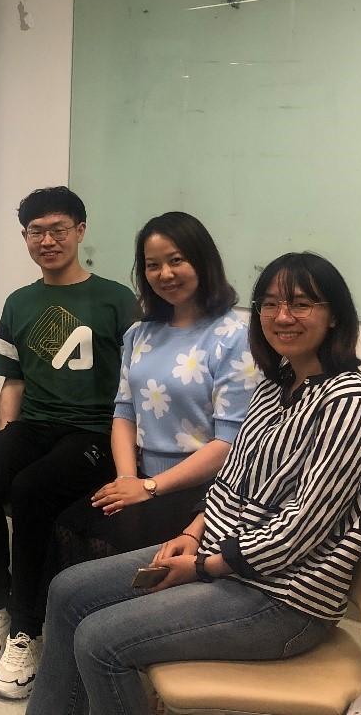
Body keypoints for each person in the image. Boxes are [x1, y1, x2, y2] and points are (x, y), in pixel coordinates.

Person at [27, 252, 361, 715]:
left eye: (302, 304)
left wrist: (204, 566)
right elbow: (232, 479)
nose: (283, 316)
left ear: (334, 315)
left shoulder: (349, 403)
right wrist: (192, 533)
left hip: (283, 600)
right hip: (226, 559)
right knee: (68, 590)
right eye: (270, 303)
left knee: (100, 641)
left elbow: (298, 530)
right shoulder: (277, 385)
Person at [0, 186, 136, 700]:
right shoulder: (20, 301)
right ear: (25, 237)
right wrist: (4, 437)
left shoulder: (116, 300)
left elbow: (136, 383)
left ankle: (28, 628)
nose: (48, 240)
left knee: (33, 489)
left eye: (59, 229)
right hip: (35, 424)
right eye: (37, 232)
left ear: (80, 231)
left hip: (94, 433)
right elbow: (12, 380)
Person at [53, 211, 258, 568]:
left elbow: (229, 443)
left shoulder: (234, 336)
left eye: (176, 260)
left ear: (202, 261)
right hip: (142, 476)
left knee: (108, 546)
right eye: (153, 265)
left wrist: (150, 488)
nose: (165, 274)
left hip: (202, 490)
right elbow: (124, 412)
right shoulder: (140, 333)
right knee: (68, 526)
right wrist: (127, 479)